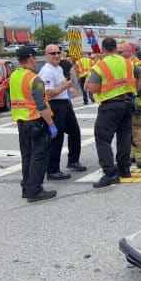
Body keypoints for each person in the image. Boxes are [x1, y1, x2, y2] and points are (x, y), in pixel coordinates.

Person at [86, 37, 141, 188]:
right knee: (124, 135)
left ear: (102, 49)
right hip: (127, 103)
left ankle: (110, 174)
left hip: (110, 104)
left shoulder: (100, 65)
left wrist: (88, 81)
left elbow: (92, 88)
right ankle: (124, 168)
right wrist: (135, 94)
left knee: (102, 137)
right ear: (115, 48)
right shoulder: (127, 62)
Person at [10, 46, 58, 202]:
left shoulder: (15, 75)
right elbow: (41, 105)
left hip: (21, 121)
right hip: (35, 121)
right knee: (39, 156)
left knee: (27, 156)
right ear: (30, 58)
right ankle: (35, 191)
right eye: (35, 57)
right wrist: (51, 124)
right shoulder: (34, 79)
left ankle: (27, 187)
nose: (36, 59)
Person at [38, 44, 86, 180]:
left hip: (64, 102)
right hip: (54, 105)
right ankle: (52, 170)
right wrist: (64, 87)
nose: (57, 55)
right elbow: (48, 93)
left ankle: (73, 161)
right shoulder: (46, 71)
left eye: (58, 52)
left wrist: (67, 88)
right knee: (57, 138)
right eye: (53, 53)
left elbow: (61, 83)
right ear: (47, 56)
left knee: (74, 132)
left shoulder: (58, 68)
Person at [118, 43, 141, 168]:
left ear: (129, 51)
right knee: (131, 131)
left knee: (137, 131)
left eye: (120, 51)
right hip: (135, 102)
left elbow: (140, 84)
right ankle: (135, 154)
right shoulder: (128, 64)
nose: (118, 54)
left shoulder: (136, 65)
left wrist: (134, 97)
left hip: (139, 103)